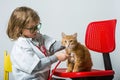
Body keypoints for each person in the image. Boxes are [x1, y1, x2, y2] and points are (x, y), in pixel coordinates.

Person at [6, 6, 68, 80]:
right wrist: (56, 57)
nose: (36, 30)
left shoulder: (38, 37)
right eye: (32, 28)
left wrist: (68, 43)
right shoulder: (20, 47)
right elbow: (36, 66)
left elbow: (53, 46)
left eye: (37, 26)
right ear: (19, 29)